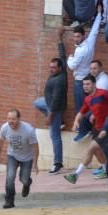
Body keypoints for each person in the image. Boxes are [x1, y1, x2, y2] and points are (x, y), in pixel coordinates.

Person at [34, 29, 67, 174]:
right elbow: (62, 55)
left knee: (55, 136)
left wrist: (50, 116)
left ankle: (57, 163)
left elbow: (55, 100)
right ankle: (58, 121)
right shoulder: (63, 69)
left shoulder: (59, 80)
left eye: (53, 68)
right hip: (47, 102)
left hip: (54, 107)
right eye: (50, 67)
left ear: (59, 68)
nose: (51, 69)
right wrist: (59, 39)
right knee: (36, 102)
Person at [0, 109, 39, 209]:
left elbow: (35, 146)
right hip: (12, 155)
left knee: (24, 179)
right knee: (10, 178)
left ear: (19, 119)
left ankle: (27, 183)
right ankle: (9, 201)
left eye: (13, 119)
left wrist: (35, 163)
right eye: (9, 119)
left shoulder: (28, 130)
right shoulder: (5, 128)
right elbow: (0, 141)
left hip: (27, 157)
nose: (10, 121)